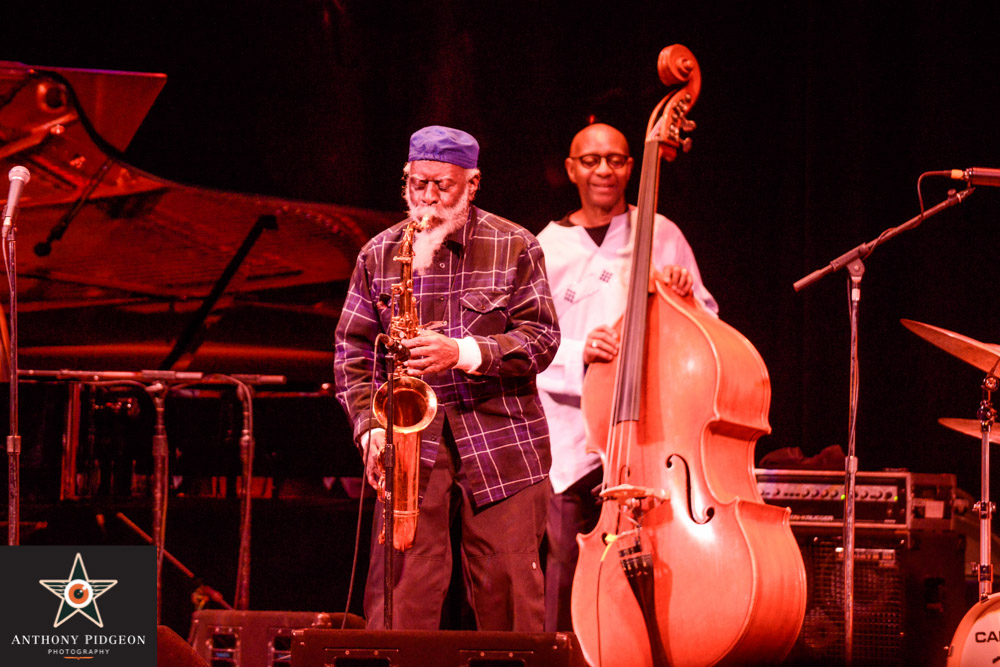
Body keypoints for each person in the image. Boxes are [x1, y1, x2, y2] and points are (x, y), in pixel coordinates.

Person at [333, 125, 560, 631]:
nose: (428, 198)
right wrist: (370, 430)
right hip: (412, 446)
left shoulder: (515, 245)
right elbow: (352, 352)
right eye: (419, 184)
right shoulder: (378, 254)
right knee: (401, 603)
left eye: (444, 185)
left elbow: (542, 338)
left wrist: (461, 352)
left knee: (511, 601)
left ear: (473, 184)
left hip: (503, 439)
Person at [535, 122, 718, 632]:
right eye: (590, 161)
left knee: (664, 564)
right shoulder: (545, 247)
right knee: (565, 570)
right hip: (574, 436)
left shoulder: (661, 233)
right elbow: (528, 345)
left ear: (632, 167)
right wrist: (581, 352)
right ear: (571, 170)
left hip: (651, 434)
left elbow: (708, 329)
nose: (604, 171)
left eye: (615, 160)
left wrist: (686, 298)